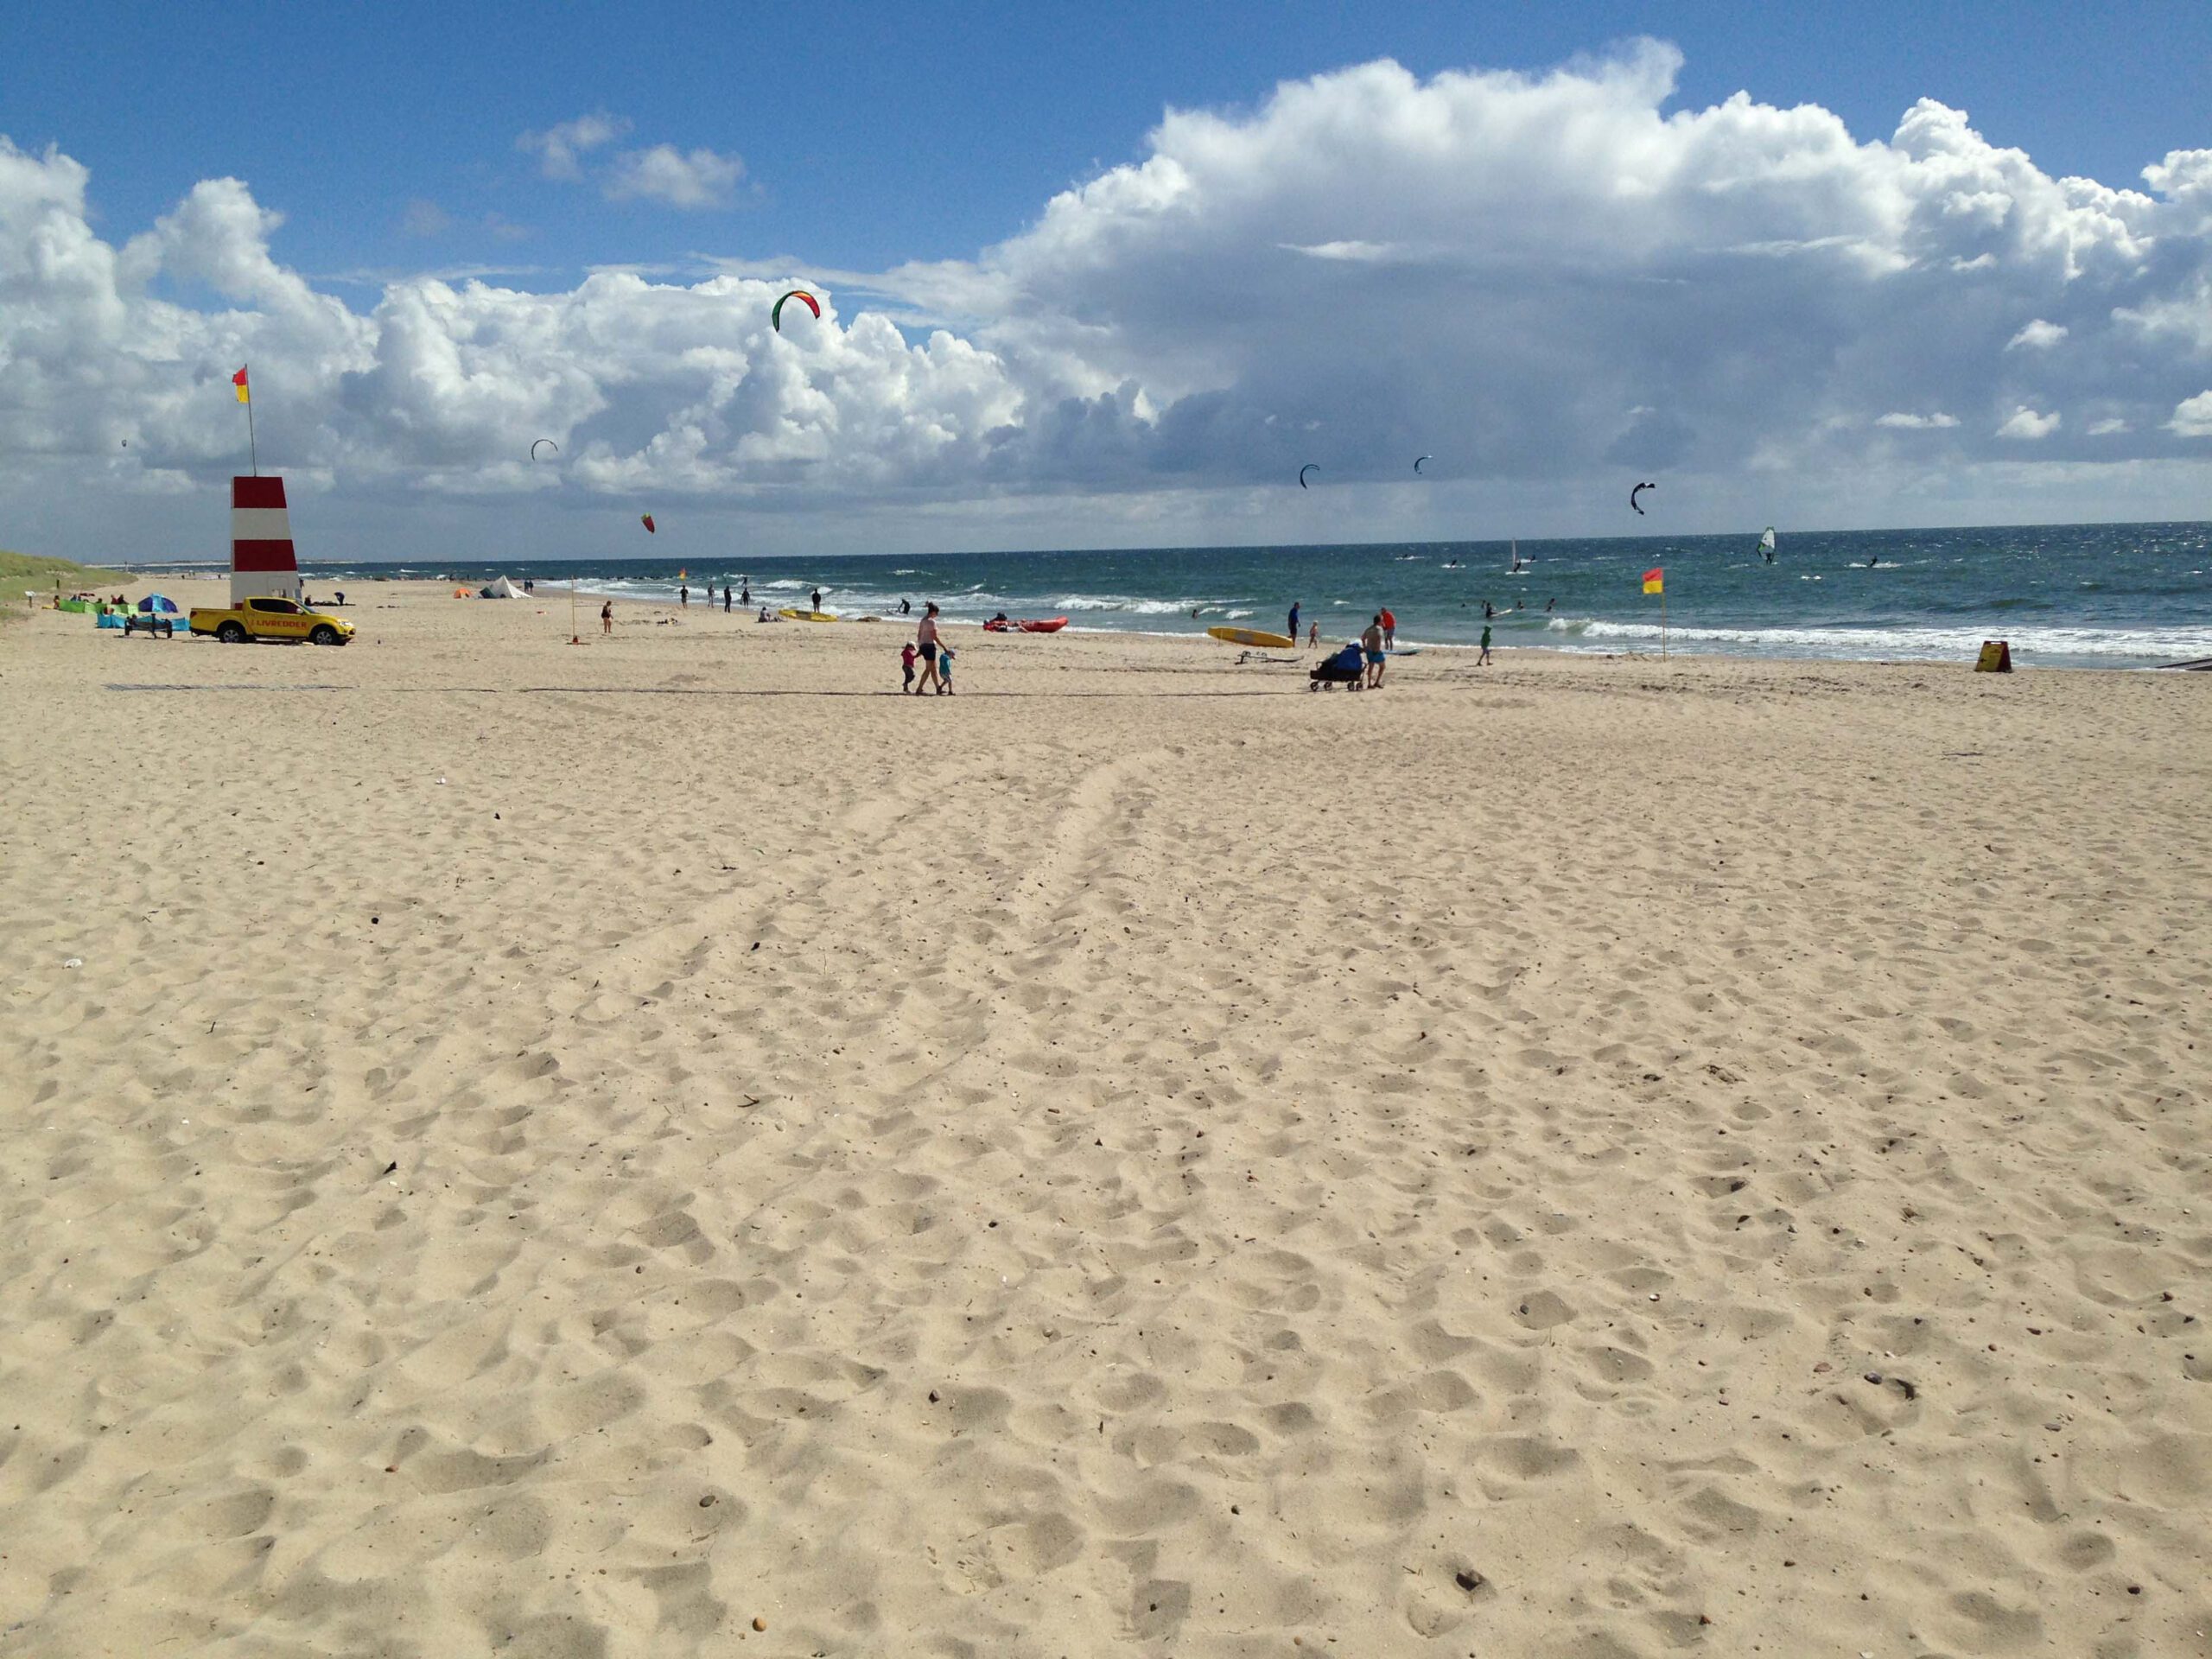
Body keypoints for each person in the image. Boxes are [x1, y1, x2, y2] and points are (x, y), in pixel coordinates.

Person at [916, 602, 943, 693]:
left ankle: (938, 688)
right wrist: (944, 647)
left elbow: (919, 634)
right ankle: (919, 688)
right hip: (929, 646)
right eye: (936, 613)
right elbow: (934, 637)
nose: (937, 615)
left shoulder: (923, 620)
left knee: (933, 668)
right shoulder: (932, 622)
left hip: (923, 645)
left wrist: (920, 646)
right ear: (933, 612)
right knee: (928, 668)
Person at [1363, 614, 1387, 688]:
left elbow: (1363, 638)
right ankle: (1377, 682)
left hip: (1369, 650)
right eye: (1382, 620)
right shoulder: (1379, 629)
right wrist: (1378, 648)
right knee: (1382, 666)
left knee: (1371, 666)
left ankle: (1369, 683)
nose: (1383, 622)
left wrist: (1365, 647)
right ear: (1379, 621)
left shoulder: (1369, 629)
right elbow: (1379, 638)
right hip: (1376, 651)